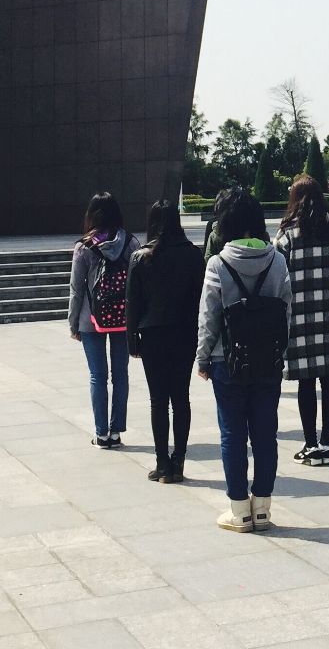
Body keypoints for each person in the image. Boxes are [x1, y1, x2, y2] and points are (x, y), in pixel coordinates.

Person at [197, 189, 292, 532]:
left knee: (232, 434)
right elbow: (286, 313)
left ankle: (239, 511)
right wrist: (281, 353)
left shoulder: (217, 263)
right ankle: (262, 508)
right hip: (268, 360)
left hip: (227, 361)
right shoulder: (277, 260)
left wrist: (202, 358)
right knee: (266, 434)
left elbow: (209, 318)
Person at [276, 175, 329, 466]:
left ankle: (310, 444)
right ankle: (327, 443)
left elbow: (279, 279)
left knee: (306, 382)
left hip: (301, 319)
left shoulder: (288, 235)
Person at [127, 199, 205, 482]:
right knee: (181, 398)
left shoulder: (141, 257)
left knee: (158, 400)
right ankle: (179, 460)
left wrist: (131, 340)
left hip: (153, 333)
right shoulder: (193, 255)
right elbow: (201, 299)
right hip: (185, 332)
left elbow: (132, 302)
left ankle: (162, 463)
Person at [68, 192, 136, 449]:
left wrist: (73, 323)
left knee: (98, 376)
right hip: (123, 317)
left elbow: (76, 289)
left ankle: (101, 434)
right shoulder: (130, 243)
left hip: (91, 318)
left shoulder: (84, 247)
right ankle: (116, 432)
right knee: (120, 374)